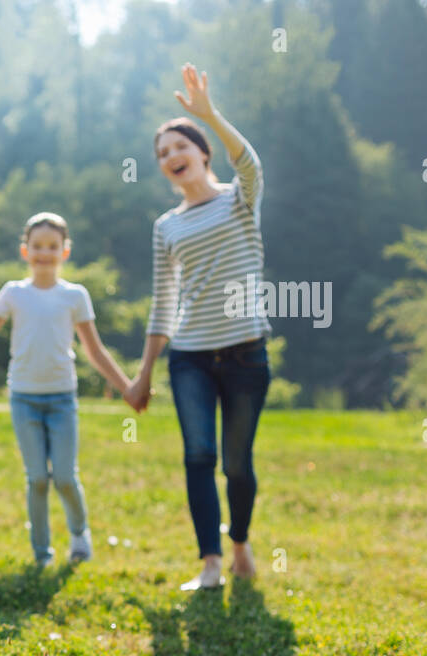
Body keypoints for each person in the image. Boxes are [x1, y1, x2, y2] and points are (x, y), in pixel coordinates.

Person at [125, 63, 270, 591]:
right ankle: (210, 562)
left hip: (246, 354)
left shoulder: (240, 198)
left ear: (202, 151)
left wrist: (209, 113)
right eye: (161, 155)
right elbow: (163, 302)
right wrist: (142, 375)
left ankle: (240, 544)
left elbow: (249, 162)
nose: (170, 158)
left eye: (178, 147)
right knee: (198, 455)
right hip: (189, 356)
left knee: (236, 464)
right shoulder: (166, 226)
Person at [0, 212, 133, 566]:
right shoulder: (13, 293)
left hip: (62, 399)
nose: (44, 253)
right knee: (38, 479)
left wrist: (127, 387)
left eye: (52, 246)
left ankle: (80, 535)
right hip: (24, 398)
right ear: (25, 250)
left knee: (66, 478)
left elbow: (95, 350)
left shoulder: (75, 296)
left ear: (65, 251)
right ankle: (42, 554)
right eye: (37, 246)